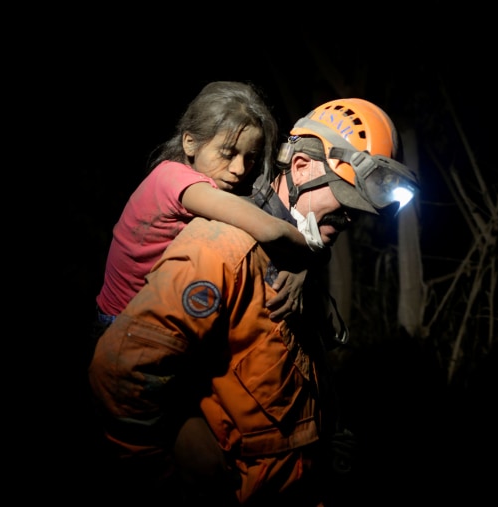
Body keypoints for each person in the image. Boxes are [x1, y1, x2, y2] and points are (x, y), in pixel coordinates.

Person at [88, 97, 420, 505]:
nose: (349, 220)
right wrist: (166, 481)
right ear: (301, 168)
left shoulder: (303, 254)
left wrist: (326, 435)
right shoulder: (220, 248)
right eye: (345, 201)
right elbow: (119, 373)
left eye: (360, 212)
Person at [93, 81, 318, 341]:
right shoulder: (176, 180)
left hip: (145, 315)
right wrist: (311, 257)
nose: (239, 168)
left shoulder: (193, 179)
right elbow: (269, 230)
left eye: (250, 157)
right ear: (190, 143)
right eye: (227, 153)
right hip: (121, 327)